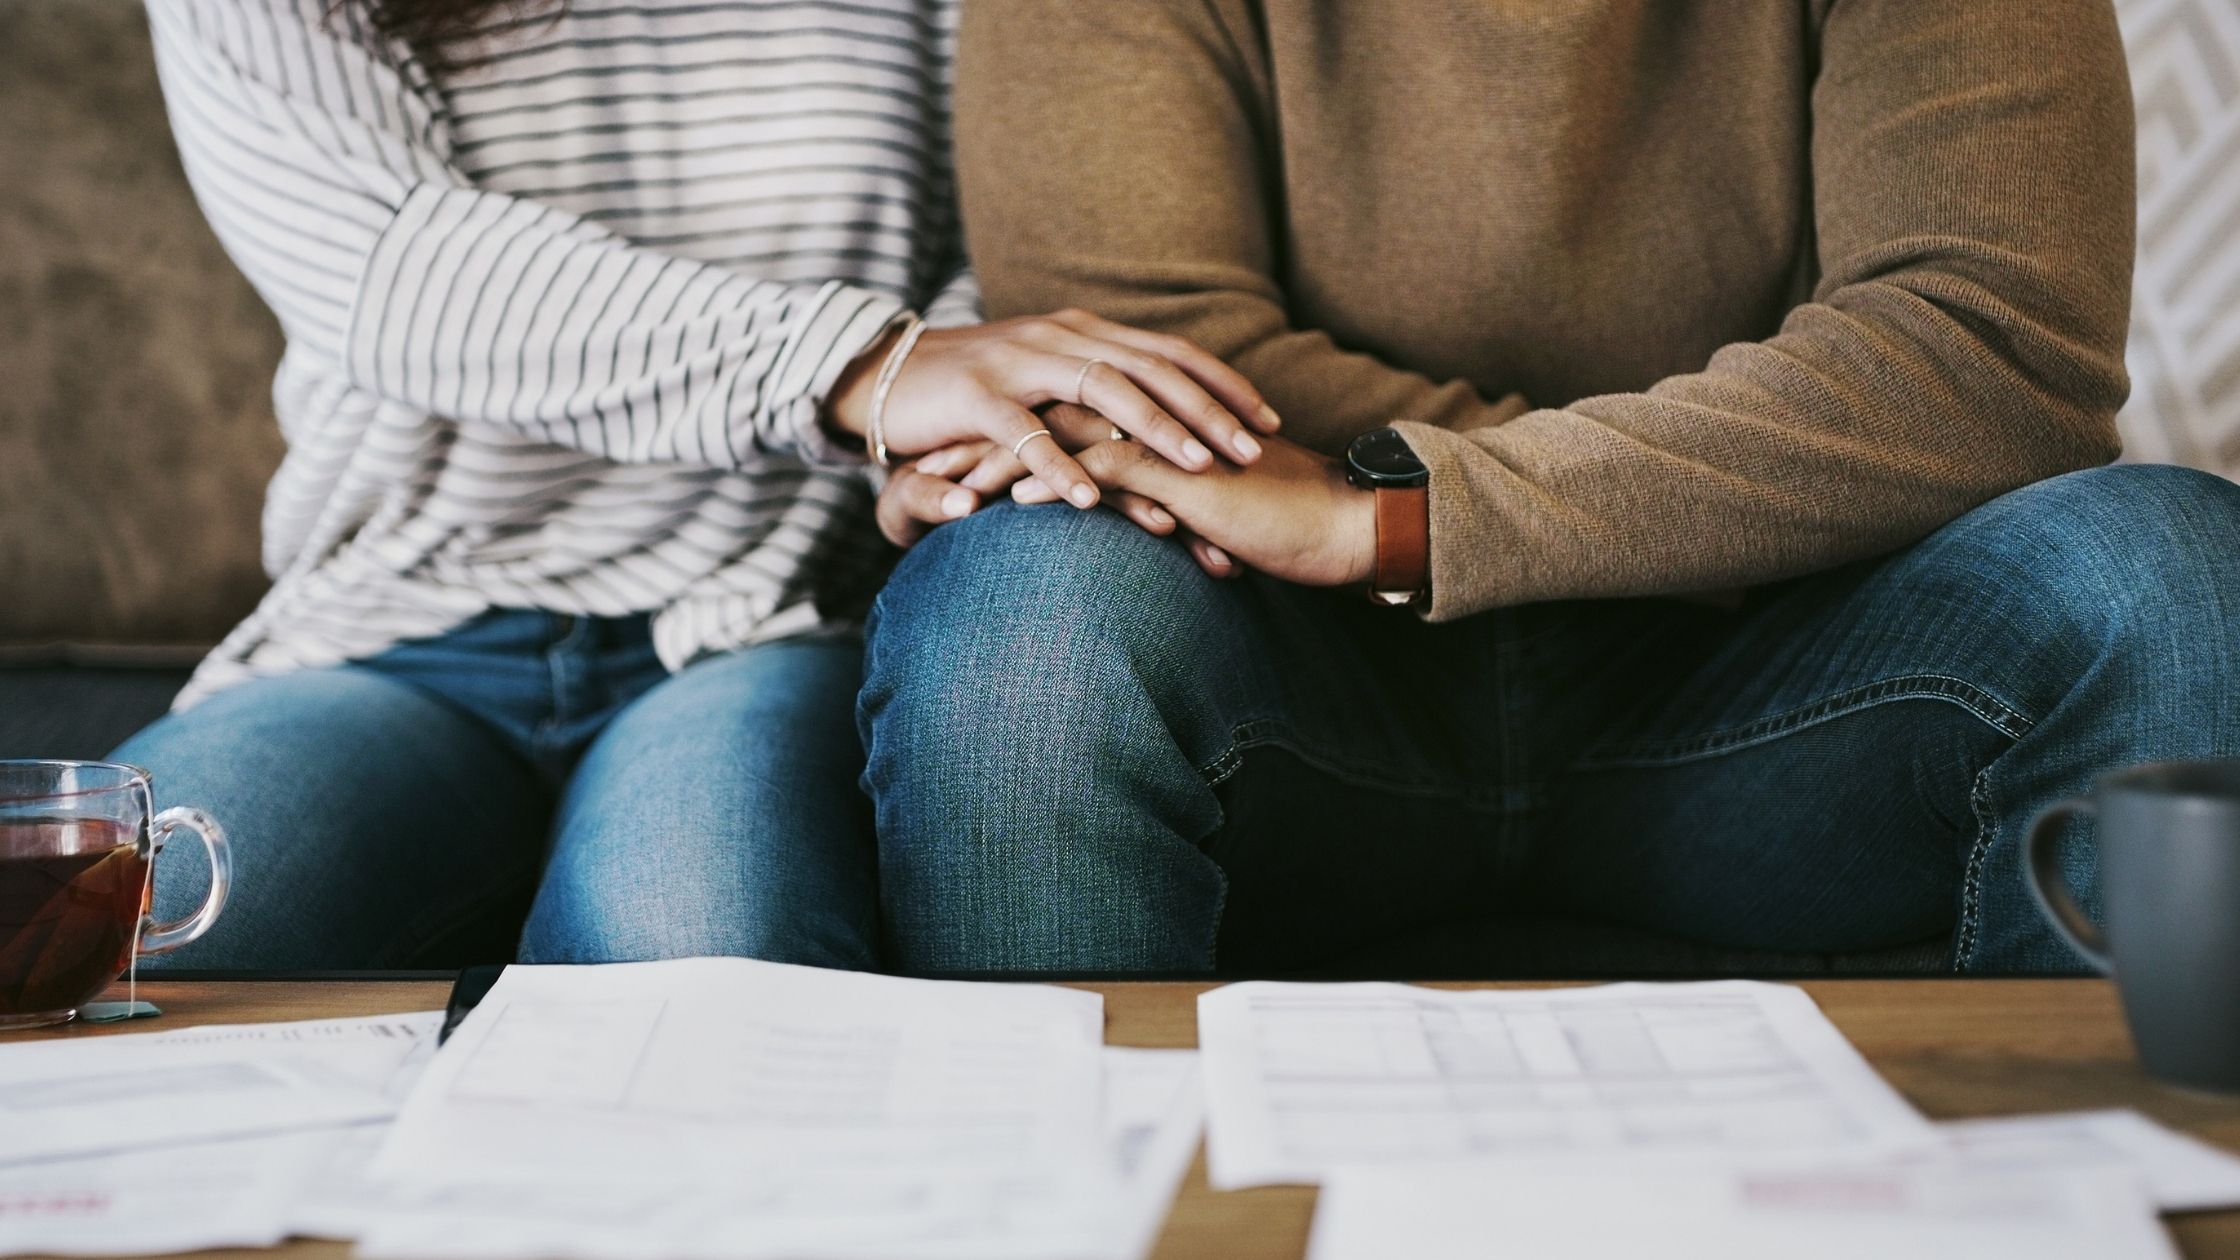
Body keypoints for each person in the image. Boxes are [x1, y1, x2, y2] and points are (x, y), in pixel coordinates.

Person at [860, 0, 2240, 975]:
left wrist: (1408, 516)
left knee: (2171, 575)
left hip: (1793, 675)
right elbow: (1140, 362)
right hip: (1288, 675)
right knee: (1015, 617)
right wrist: (1737, 476)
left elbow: (1988, 349)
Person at [115, 0, 1271, 969]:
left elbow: (999, 244)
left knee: (707, 974)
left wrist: (947, 450)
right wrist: (862, 369)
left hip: (750, 623)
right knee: (107, 938)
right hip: (394, 628)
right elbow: (388, 269)